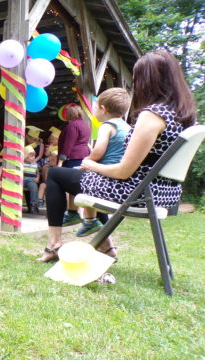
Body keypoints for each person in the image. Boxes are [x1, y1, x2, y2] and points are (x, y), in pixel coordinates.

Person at [38, 50, 197, 262]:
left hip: (136, 192)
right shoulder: (182, 116)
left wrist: (91, 165)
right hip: (163, 193)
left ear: (147, 81)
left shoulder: (152, 115)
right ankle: (106, 246)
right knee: (92, 182)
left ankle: (54, 244)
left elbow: (123, 172)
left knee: (56, 174)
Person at [75, 87, 132, 237]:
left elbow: (99, 151)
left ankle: (82, 217)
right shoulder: (127, 127)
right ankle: (102, 238)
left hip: (103, 174)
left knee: (72, 174)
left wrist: (88, 160)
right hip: (118, 176)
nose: (94, 111)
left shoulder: (106, 126)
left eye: (95, 107)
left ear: (103, 108)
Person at [58, 104, 91, 168]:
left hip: (73, 158)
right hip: (84, 156)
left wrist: (60, 161)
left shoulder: (73, 125)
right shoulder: (84, 124)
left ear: (69, 114)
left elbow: (68, 144)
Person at [23, 145, 40, 214]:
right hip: (23, 180)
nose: (33, 158)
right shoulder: (22, 164)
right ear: (25, 156)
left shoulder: (35, 164)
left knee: (34, 187)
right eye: (31, 156)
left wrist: (37, 178)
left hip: (31, 180)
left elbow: (37, 172)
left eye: (34, 156)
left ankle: (34, 204)